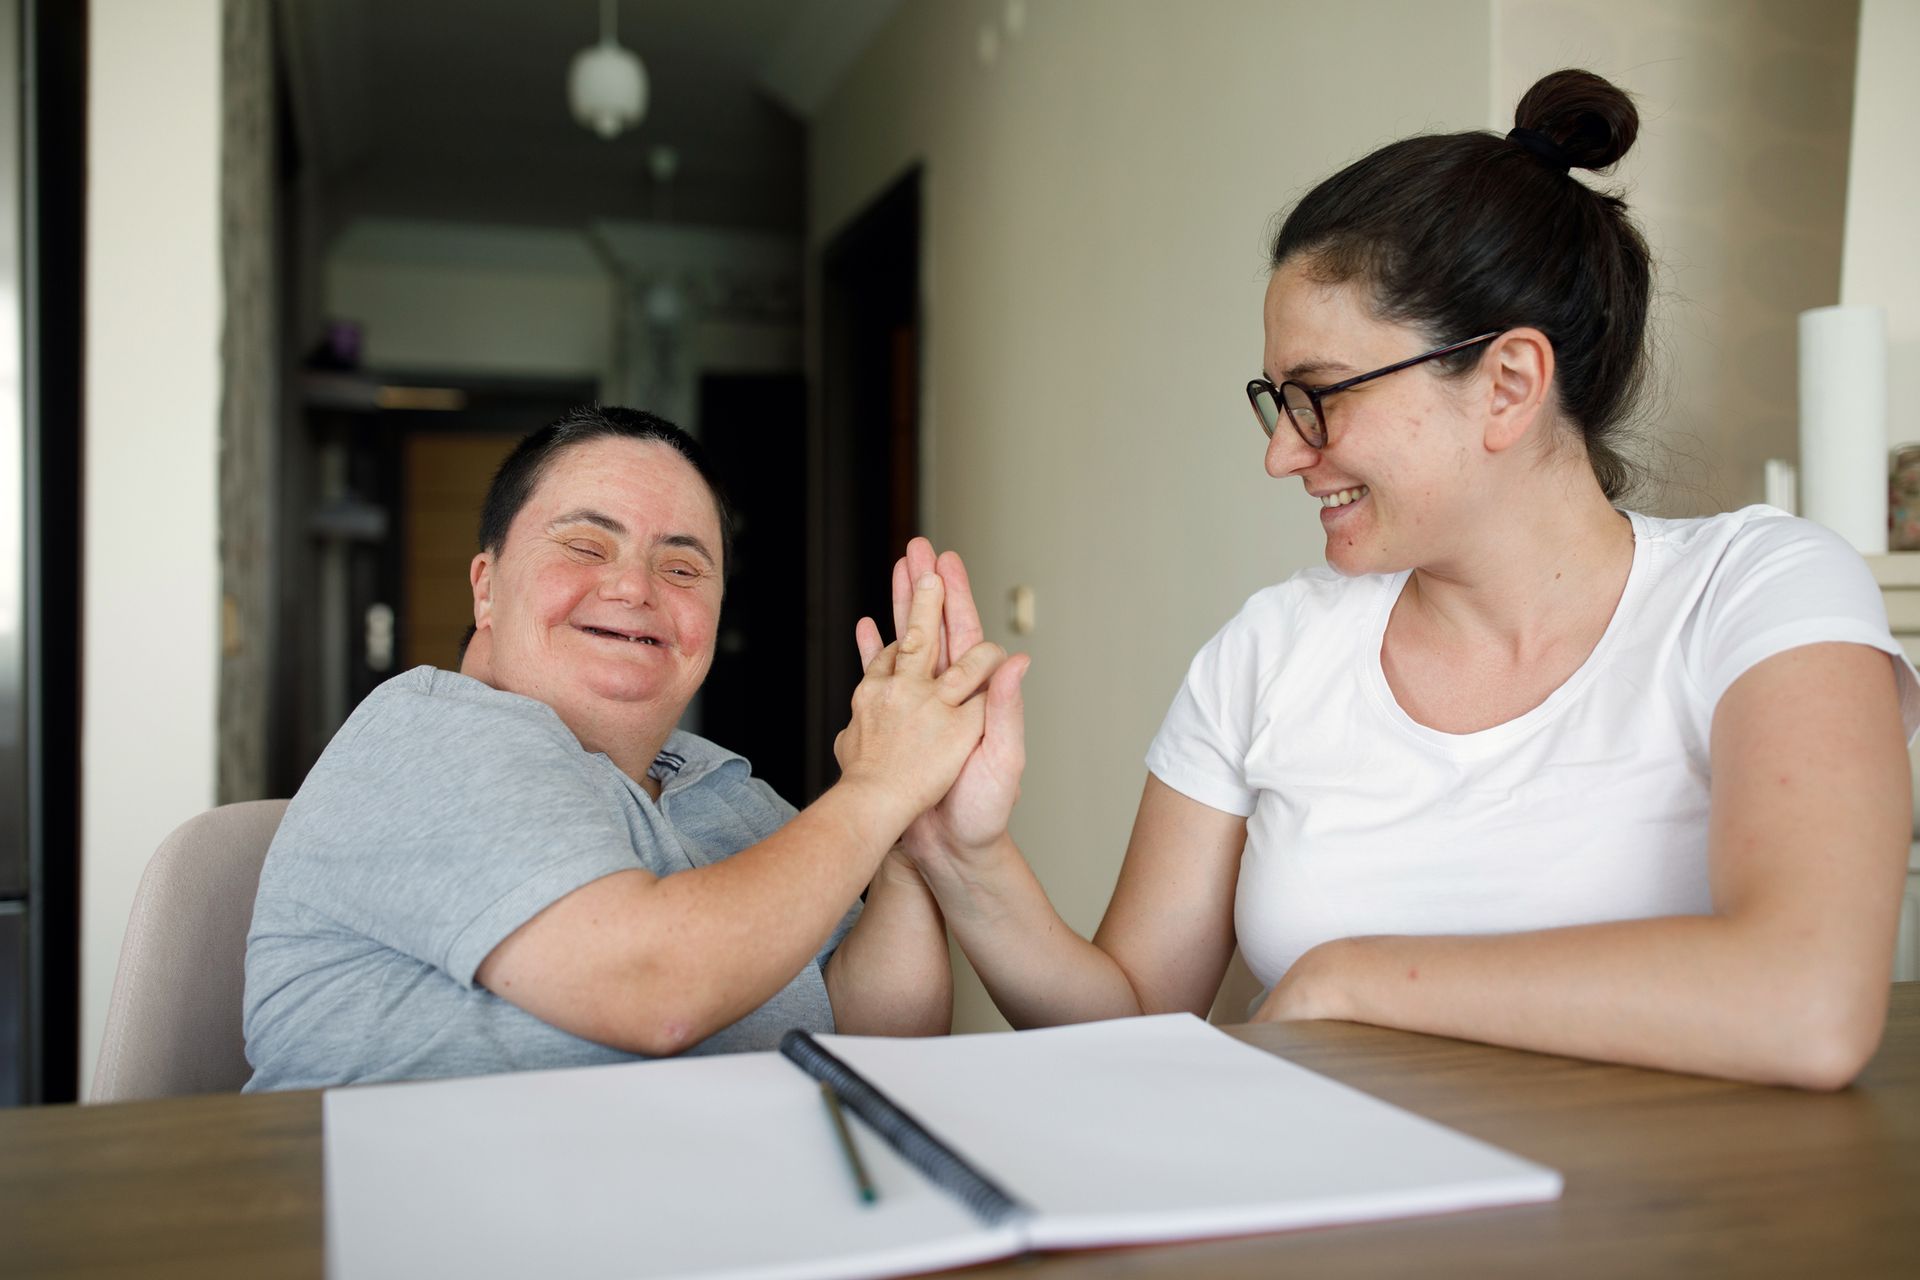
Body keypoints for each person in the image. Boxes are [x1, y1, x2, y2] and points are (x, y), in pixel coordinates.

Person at [880, 69, 1918, 1090]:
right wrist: (968, 854)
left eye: (1320, 396)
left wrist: (1354, 977)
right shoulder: (1271, 648)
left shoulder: (1759, 592)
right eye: (1276, 400)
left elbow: (1807, 1002)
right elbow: (1133, 1022)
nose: (1283, 453)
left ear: (1509, 384)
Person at [243, 406, 1012, 1090]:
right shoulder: (427, 736)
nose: (633, 588)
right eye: (584, 545)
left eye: (681, 567)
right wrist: (876, 787)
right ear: (486, 584)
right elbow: (656, 990)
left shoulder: (726, 792)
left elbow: (878, 1041)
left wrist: (906, 833)